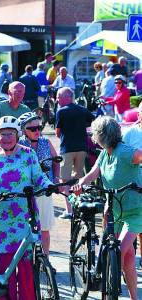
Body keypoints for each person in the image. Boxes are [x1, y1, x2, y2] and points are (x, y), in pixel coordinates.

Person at [0, 115, 53, 300]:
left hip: (25, 216)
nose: (6, 138)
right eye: (2, 134)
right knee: (5, 265)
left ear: (18, 134)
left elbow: (38, 176)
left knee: (26, 265)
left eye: (10, 134)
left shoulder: (28, 154)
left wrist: (47, 185)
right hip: (2, 217)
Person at [72, 116, 142, 300]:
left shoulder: (124, 151)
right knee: (127, 259)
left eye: (95, 134)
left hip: (135, 210)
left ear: (101, 136)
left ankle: (108, 288)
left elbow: (139, 155)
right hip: (115, 210)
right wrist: (80, 183)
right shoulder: (104, 154)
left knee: (119, 251)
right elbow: (94, 172)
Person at [18, 112, 60, 256]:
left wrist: (56, 179)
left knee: (45, 228)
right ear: (23, 130)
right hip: (24, 193)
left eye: (39, 127)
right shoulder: (18, 145)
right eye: (32, 129)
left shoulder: (45, 142)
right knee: (24, 228)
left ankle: (45, 260)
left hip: (43, 190)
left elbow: (56, 160)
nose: (37, 131)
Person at [55, 87, 95, 219]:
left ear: (66, 97)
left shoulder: (61, 111)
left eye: (58, 97)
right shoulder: (82, 110)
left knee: (65, 180)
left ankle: (70, 211)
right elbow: (93, 121)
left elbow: (57, 132)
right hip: (82, 148)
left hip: (67, 148)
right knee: (79, 179)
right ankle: (81, 208)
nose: (57, 99)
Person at [122, 101, 142, 268]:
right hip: (132, 185)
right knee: (134, 224)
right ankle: (126, 261)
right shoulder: (130, 133)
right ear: (139, 115)